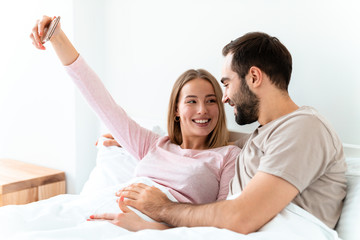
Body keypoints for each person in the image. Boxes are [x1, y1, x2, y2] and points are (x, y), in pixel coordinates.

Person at [108, 32, 348, 233]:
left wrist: (162, 208)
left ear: (253, 77)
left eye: (226, 84)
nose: (224, 98)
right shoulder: (266, 135)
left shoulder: (304, 127)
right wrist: (151, 136)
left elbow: (242, 217)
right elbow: (216, 134)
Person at [29, 16, 241, 230]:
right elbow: (101, 102)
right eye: (191, 101)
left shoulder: (227, 156)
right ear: (176, 110)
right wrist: (57, 37)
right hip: (102, 208)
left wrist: (148, 228)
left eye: (211, 101)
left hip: (140, 226)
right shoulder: (153, 144)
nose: (202, 109)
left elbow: (221, 224)